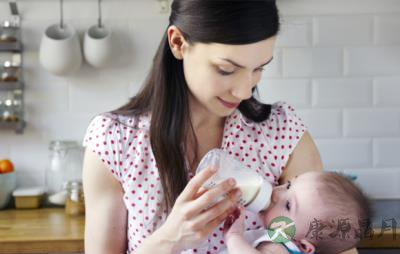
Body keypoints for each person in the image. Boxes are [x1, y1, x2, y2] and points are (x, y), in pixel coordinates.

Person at [82, 0, 359, 253]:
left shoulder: (282, 134)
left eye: (259, 68)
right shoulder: (114, 141)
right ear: (178, 43)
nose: (244, 92)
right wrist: (170, 238)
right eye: (226, 69)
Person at [220, 171, 373, 254]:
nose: (276, 193)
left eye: (288, 205)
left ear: (303, 245)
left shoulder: (279, 247)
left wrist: (234, 238)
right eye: (288, 185)